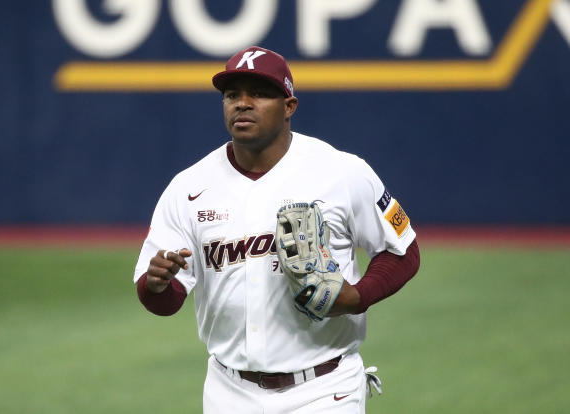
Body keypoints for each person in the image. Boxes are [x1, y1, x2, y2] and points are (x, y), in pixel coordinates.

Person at [133, 46, 420, 413]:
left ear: (289, 106)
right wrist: (156, 284)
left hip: (324, 387)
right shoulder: (188, 188)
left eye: (260, 93)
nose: (243, 103)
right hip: (228, 391)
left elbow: (403, 250)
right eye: (232, 94)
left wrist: (357, 296)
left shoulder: (342, 172)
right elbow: (165, 299)